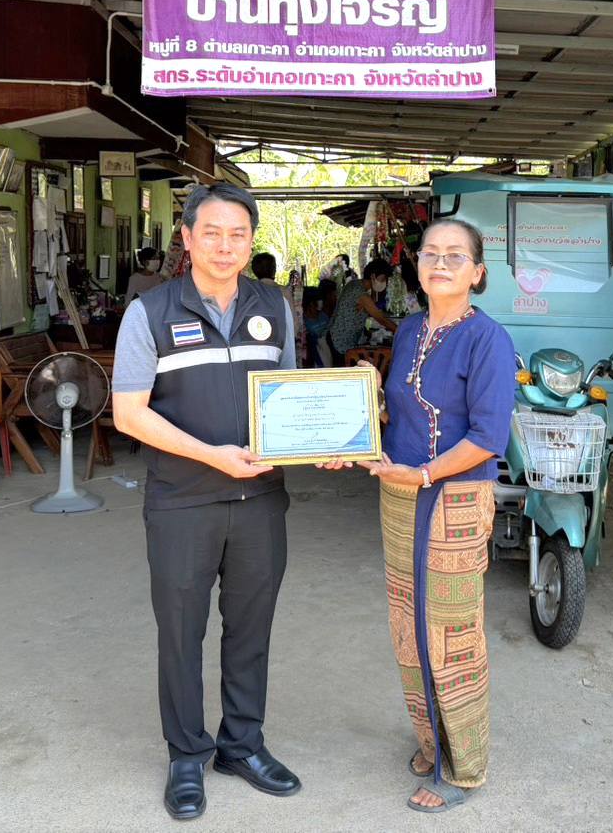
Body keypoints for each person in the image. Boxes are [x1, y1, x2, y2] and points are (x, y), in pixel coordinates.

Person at [111, 184, 301, 822]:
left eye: (238, 234)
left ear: (251, 242)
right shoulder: (150, 313)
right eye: (211, 233)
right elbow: (129, 414)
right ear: (187, 239)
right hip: (182, 503)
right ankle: (187, 755)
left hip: (259, 501)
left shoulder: (274, 307)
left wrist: (329, 441)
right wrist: (213, 455)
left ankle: (242, 746)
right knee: (181, 632)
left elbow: (289, 398)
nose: (225, 246)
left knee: (251, 629)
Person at [323, 218, 515, 813]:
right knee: (409, 627)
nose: (440, 263)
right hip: (399, 493)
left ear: (477, 272)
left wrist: (427, 474)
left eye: (456, 255)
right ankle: (432, 743)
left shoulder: (488, 340)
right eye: (431, 253)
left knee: (452, 632)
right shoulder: (408, 329)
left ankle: (465, 767)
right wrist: (361, 408)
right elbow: (394, 414)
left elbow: (487, 437)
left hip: (454, 499)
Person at [328, 258, 397, 361]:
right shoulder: (360, 293)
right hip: (339, 342)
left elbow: (372, 305)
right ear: (373, 276)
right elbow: (382, 320)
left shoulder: (355, 284)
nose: (385, 283)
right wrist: (401, 331)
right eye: (382, 279)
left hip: (340, 339)